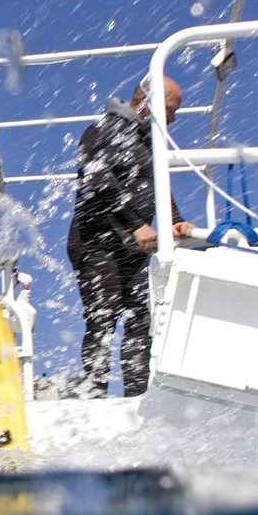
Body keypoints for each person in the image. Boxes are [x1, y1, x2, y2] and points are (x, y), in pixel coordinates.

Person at [66, 78, 194, 397]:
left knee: (141, 319)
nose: (173, 119)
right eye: (170, 110)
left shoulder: (148, 143)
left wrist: (176, 222)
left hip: (132, 249)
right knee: (103, 317)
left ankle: (137, 396)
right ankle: (94, 393)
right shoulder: (104, 129)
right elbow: (96, 179)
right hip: (96, 243)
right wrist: (136, 225)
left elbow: (158, 189)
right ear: (147, 103)